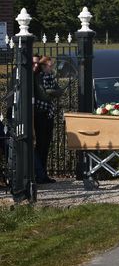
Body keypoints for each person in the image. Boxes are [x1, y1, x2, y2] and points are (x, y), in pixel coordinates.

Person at [34, 56, 63, 184]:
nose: (52, 68)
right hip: (40, 113)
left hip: (49, 113)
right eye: (50, 66)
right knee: (40, 145)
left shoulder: (50, 77)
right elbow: (44, 95)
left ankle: (43, 174)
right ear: (44, 66)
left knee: (46, 145)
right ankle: (38, 174)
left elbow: (59, 91)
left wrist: (52, 91)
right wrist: (52, 92)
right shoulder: (38, 77)